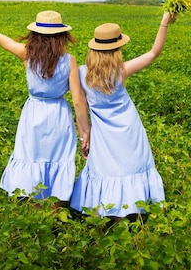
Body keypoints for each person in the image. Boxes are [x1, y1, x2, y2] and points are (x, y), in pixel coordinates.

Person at [0, 0, 90, 202]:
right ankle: (55, 207)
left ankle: (33, 206)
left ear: (35, 34)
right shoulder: (69, 60)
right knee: (57, 159)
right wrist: (85, 132)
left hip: (34, 113)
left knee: (32, 155)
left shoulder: (26, 54)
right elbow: (78, 100)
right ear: (62, 36)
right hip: (58, 114)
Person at [70, 12, 176, 219]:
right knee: (132, 166)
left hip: (102, 132)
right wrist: (164, 23)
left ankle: (106, 211)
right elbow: (154, 53)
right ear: (117, 49)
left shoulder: (81, 73)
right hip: (129, 128)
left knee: (106, 169)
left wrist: (85, 134)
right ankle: (133, 209)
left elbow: (78, 103)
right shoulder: (121, 70)